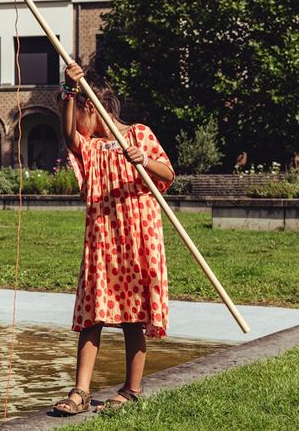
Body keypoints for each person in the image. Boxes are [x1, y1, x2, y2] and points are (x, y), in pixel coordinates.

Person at [51, 61, 175, 415]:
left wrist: (144, 162)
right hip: (103, 240)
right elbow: (69, 135)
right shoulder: (90, 148)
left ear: (94, 108)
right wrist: (71, 91)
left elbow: (168, 174)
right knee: (92, 315)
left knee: (133, 317)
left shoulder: (138, 134)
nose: (78, 125)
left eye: (79, 115)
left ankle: (131, 390)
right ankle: (80, 391)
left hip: (138, 236)